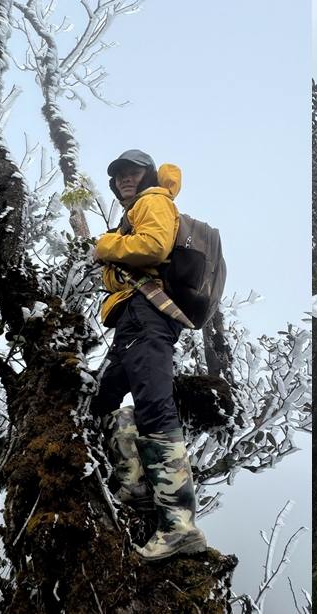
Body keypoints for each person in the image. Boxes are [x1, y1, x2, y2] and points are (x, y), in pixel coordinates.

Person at [91, 149, 207, 561]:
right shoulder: (135, 212)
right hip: (134, 318)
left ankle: (179, 524)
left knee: (155, 408)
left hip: (147, 313)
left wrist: (105, 244)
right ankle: (135, 483)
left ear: (148, 175)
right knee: (99, 400)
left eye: (133, 171)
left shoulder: (152, 201)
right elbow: (117, 269)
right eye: (120, 174)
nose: (126, 178)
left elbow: (154, 247)